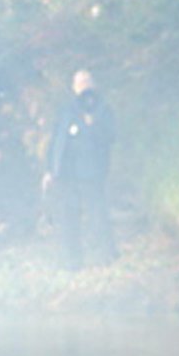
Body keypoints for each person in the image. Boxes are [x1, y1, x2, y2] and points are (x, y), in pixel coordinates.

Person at [43, 69, 117, 269]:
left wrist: (93, 125)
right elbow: (55, 141)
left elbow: (110, 137)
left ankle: (107, 257)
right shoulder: (66, 110)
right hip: (66, 173)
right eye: (79, 82)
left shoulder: (102, 109)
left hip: (92, 173)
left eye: (87, 81)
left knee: (97, 214)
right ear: (73, 87)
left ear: (94, 83)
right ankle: (72, 262)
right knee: (68, 218)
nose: (83, 86)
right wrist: (49, 169)